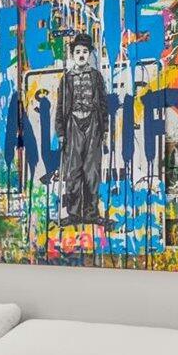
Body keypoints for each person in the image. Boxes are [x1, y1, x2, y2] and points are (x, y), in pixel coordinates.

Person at [57, 31, 108, 226]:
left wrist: (104, 129)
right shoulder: (66, 79)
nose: (81, 55)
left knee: (92, 171)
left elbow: (103, 103)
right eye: (77, 51)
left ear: (89, 54)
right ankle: (74, 214)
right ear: (72, 54)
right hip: (73, 126)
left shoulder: (96, 77)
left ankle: (91, 213)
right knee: (73, 171)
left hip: (93, 125)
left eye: (84, 52)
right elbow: (61, 107)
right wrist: (61, 132)